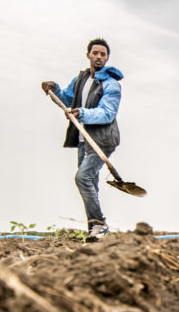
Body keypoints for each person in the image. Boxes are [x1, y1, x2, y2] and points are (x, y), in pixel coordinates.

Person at [40, 38, 124, 239]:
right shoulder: (81, 80)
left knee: (82, 177)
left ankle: (99, 225)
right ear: (88, 56)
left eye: (103, 54)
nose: (98, 57)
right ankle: (94, 230)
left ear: (107, 58)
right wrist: (55, 90)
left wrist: (82, 113)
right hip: (82, 139)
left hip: (102, 140)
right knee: (90, 183)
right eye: (95, 53)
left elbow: (107, 113)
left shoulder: (111, 84)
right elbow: (69, 99)